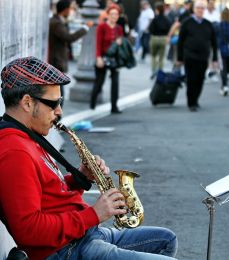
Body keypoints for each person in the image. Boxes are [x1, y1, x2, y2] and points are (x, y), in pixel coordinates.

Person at [0, 56, 178, 260]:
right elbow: (29, 230)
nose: (59, 111)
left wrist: (79, 178)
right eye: (53, 104)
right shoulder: (15, 151)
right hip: (66, 250)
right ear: (27, 103)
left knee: (166, 240)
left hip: (83, 236)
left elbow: (43, 191)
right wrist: (94, 214)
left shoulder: (27, 136)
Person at [48, 0, 92, 107]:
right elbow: (69, 37)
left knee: (59, 91)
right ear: (66, 9)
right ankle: (57, 118)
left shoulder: (58, 21)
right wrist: (85, 28)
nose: (72, 11)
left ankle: (57, 117)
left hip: (57, 61)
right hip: (56, 61)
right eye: (70, 8)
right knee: (59, 93)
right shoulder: (56, 23)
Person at [177, 0, 218, 112]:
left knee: (200, 79)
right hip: (189, 56)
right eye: (198, 8)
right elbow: (180, 41)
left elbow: (214, 42)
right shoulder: (187, 23)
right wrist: (179, 58)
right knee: (191, 79)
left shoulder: (208, 24)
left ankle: (196, 99)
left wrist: (215, 59)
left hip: (203, 57)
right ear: (194, 9)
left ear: (204, 10)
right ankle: (191, 102)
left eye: (202, 8)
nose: (200, 10)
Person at [90, 4, 123, 114]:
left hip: (114, 59)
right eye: (112, 14)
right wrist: (98, 58)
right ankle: (92, 103)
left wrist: (120, 43)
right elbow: (98, 43)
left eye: (116, 14)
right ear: (108, 15)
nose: (114, 16)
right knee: (99, 82)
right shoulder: (102, 27)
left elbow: (121, 46)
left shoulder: (119, 28)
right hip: (103, 57)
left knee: (115, 83)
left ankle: (114, 106)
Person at [149, 2, 171, 79]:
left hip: (155, 38)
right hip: (163, 38)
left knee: (153, 56)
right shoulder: (166, 19)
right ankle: (160, 71)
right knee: (161, 57)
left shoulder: (155, 19)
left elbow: (150, 29)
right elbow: (169, 28)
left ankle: (153, 71)